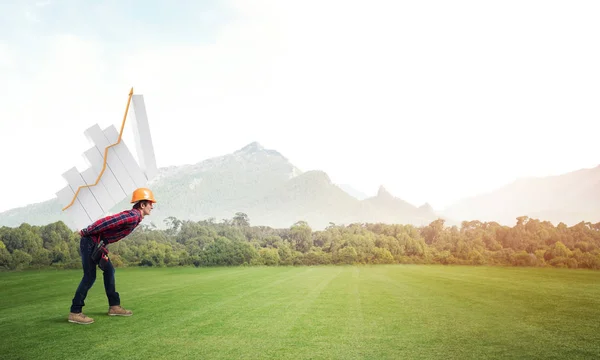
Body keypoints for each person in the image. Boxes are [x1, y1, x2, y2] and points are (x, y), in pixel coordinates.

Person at [67, 187, 157, 325]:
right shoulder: (133, 216)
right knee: (89, 276)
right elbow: (108, 221)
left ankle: (114, 306)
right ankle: (75, 312)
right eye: (150, 203)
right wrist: (87, 231)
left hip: (97, 244)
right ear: (142, 204)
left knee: (109, 270)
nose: (152, 206)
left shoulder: (136, 217)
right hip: (90, 242)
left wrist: (102, 245)